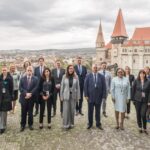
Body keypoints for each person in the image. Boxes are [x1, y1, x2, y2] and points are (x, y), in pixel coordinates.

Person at [84, 64, 106, 130]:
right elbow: (85, 86)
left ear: (97, 69)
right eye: (94, 68)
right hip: (90, 97)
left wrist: (104, 96)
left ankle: (98, 124)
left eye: (96, 68)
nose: (95, 69)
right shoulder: (88, 76)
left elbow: (104, 87)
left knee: (98, 111)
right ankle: (90, 124)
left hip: (98, 97)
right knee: (90, 111)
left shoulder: (101, 76)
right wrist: (86, 95)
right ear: (92, 68)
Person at [60, 65, 80, 130]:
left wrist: (78, 97)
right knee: (66, 110)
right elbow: (62, 87)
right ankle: (65, 124)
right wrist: (61, 96)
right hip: (66, 95)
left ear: (73, 69)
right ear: (68, 69)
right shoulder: (64, 76)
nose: (71, 70)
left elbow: (78, 87)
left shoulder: (76, 77)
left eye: (72, 68)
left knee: (72, 110)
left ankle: (71, 124)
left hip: (73, 96)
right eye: (69, 68)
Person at [19, 66, 38, 132]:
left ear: (32, 71)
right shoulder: (22, 78)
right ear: (26, 71)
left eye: (30, 70)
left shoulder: (35, 79)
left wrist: (30, 94)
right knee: (23, 112)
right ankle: (22, 125)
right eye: (28, 70)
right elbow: (20, 88)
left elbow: (36, 87)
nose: (29, 71)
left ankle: (30, 124)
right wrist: (26, 93)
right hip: (24, 98)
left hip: (31, 98)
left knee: (30, 112)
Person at [132, 70, 150, 134]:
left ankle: (145, 128)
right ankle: (140, 127)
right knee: (138, 114)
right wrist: (133, 99)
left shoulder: (148, 81)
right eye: (141, 74)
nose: (142, 75)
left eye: (143, 74)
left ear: (145, 75)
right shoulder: (136, 81)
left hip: (145, 101)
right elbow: (133, 90)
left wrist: (149, 101)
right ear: (139, 74)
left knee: (143, 114)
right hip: (137, 100)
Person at [0, 66, 13, 134]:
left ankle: (2, 126)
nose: (4, 71)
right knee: (1, 111)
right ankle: (2, 125)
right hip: (0, 97)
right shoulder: (0, 78)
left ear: (7, 70)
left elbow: (11, 89)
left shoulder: (9, 78)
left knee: (4, 112)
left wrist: (11, 97)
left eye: (5, 70)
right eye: (3, 70)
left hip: (6, 98)